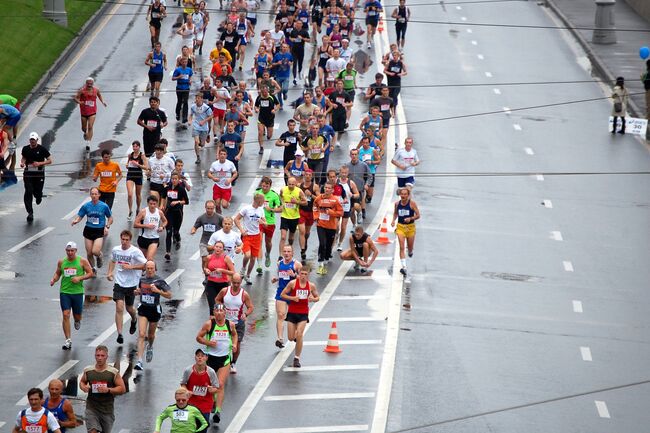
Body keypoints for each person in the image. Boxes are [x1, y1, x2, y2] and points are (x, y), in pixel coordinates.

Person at [195, 304, 238, 424]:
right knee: (209, 385)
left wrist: (234, 345)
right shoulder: (209, 324)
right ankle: (212, 402)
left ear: (225, 313)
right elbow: (198, 337)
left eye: (221, 311)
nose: (219, 313)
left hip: (224, 359)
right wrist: (208, 342)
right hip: (210, 359)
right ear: (214, 312)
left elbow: (234, 335)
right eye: (216, 310)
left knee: (220, 384)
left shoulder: (230, 325)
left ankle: (218, 411)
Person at [50, 241, 93, 350]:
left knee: (77, 316)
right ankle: (68, 340)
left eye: (72, 251)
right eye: (68, 251)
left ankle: (77, 320)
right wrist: (54, 280)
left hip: (78, 292)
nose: (70, 253)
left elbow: (90, 273)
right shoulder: (61, 262)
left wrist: (79, 278)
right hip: (65, 292)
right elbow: (58, 273)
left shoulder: (82, 261)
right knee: (65, 314)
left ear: (76, 251)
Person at [106, 230, 147, 344]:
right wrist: (109, 272)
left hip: (132, 283)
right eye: (123, 239)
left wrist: (131, 267)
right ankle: (119, 334)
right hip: (119, 282)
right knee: (119, 307)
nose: (124, 242)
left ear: (130, 240)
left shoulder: (135, 252)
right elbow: (113, 260)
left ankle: (134, 319)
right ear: (120, 239)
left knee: (129, 308)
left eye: (127, 240)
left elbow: (146, 265)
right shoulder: (116, 250)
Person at [134, 260, 172, 370]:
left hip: (154, 310)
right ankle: (139, 361)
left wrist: (158, 291)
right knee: (141, 334)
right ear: (145, 269)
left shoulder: (159, 281)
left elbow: (169, 295)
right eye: (148, 268)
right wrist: (137, 291)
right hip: (143, 309)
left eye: (152, 268)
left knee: (150, 335)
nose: (149, 270)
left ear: (155, 269)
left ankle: (150, 346)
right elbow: (141, 290)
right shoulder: (142, 279)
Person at [79, 345, 127, 433]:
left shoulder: (113, 372)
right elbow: (82, 382)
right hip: (91, 407)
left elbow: (122, 389)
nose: (100, 358)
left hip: (107, 410)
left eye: (102, 356)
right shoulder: (88, 370)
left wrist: (108, 390)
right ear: (95, 356)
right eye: (98, 355)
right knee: (92, 431)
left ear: (106, 357)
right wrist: (83, 387)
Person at [215, 273, 254, 374]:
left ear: (241, 282)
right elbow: (217, 299)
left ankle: (233, 363)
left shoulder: (244, 294)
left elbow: (250, 307)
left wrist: (245, 314)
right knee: (223, 343)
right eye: (234, 283)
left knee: (237, 345)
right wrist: (221, 308)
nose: (236, 285)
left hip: (238, 323)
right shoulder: (225, 291)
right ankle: (223, 362)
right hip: (225, 322)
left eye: (238, 283)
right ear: (231, 281)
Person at [281, 266, 319, 367]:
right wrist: (292, 298)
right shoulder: (293, 283)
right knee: (290, 337)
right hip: (292, 312)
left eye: (305, 274)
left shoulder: (311, 286)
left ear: (308, 275)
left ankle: (296, 358)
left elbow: (317, 297)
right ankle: (297, 339)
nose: (303, 276)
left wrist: (312, 299)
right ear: (299, 274)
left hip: (303, 313)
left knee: (300, 334)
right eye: (302, 274)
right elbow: (282, 295)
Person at [71, 187, 113, 274]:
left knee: (95, 251)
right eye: (92, 194)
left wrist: (107, 226)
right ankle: (93, 268)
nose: (94, 196)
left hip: (99, 230)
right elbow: (80, 216)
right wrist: (76, 220)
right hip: (88, 230)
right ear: (90, 195)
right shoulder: (86, 206)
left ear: (99, 195)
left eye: (95, 194)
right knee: (89, 253)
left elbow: (110, 218)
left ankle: (99, 256)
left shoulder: (104, 206)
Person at [180, 349, 219, 433]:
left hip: (205, 405)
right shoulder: (188, 370)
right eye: (198, 356)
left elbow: (216, 387)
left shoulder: (211, 372)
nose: (200, 358)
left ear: (206, 358)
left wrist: (212, 390)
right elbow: (183, 383)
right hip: (191, 404)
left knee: (202, 428)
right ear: (195, 357)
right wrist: (186, 391)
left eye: (202, 356)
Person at [272, 245, 301, 348]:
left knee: (295, 317)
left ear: (292, 253)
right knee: (280, 314)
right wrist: (276, 279)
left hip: (293, 294)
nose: (286, 253)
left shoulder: (297, 265)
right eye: (284, 251)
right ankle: (280, 338)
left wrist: (294, 275)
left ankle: (296, 334)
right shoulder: (279, 263)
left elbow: (304, 280)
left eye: (289, 251)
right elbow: (281, 276)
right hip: (282, 292)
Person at [234, 193, 267, 283]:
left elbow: (266, 224)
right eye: (263, 201)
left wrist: (262, 222)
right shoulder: (246, 209)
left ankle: (248, 275)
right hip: (247, 236)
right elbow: (236, 219)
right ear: (258, 201)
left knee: (253, 258)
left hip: (256, 237)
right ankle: (243, 269)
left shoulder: (261, 210)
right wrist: (241, 230)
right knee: (247, 255)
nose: (263, 203)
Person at [20, 131, 52, 222]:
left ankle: (39, 196)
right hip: (28, 173)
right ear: (29, 140)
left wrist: (40, 163)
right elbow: (24, 157)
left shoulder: (42, 149)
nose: (32, 141)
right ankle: (30, 213)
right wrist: (22, 163)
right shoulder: (25, 149)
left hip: (39, 173)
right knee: (28, 191)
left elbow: (50, 160)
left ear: (37, 140)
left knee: (37, 191)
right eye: (31, 140)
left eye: (34, 140)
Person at [313, 181, 343, 275]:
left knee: (329, 245)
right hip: (321, 225)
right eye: (325, 187)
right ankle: (321, 263)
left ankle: (326, 257)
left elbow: (341, 213)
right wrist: (316, 217)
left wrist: (331, 213)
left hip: (331, 226)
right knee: (322, 243)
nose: (327, 189)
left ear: (332, 190)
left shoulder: (335, 200)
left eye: (329, 188)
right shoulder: (318, 198)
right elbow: (315, 207)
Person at [255, 176, 282, 270]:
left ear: (270, 186)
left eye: (266, 186)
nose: (264, 188)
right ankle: (259, 265)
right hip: (259, 221)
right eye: (263, 186)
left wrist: (271, 209)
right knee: (259, 241)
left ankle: (268, 254)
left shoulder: (274, 195)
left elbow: (281, 209)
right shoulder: (257, 193)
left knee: (268, 242)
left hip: (270, 222)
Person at [391, 187, 420, 276]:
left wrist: (410, 218)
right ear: (400, 195)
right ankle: (404, 267)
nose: (403, 196)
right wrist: (393, 220)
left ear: (408, 195)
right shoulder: (397, 204)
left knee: (410, 248)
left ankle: (410, 251)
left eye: (405, 194)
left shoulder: (412, 204)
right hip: (400, 227)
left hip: (410, 228)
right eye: (402, 194)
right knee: (402, 247)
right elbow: (396, 213)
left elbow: (418, 215)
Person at [191, 200, 224, 276]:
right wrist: (193, 230)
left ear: (214, 208)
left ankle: (212, 274)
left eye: (211, 208)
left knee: (213, 260)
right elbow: (195, 226)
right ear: (205, 208)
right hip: (204, 242)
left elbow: (225, 227)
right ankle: (206, 275)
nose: (210, 210)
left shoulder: (219, 218)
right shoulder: (201, 217)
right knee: (204, 259)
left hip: (215, 243)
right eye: (208, 208)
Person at [204, 241, 235, 314]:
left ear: (223, 249)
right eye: (216, 246)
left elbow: (233, 272)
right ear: (214, 247)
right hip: (211, 284)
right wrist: (207, 270)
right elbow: (205, 268)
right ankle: (213, 323)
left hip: (223, 285)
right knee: (212, 307)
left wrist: (222, 270)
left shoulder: (226, 258)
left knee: (221, 308)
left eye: (220, 247)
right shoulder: (209, 257)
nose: (218, 249)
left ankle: (222, 323)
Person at [164, 171, 190, 261]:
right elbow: (163, 197)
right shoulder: (167, 187)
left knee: (175, 232)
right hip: (169, 212)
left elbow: (186, 201)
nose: (174, 181)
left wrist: (178, 202)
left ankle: (178, 238)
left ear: (179, 180)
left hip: (178, 212)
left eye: (176, 179)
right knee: (168, 232)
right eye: (172, 179)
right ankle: (168, 252)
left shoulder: (181, 189)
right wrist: (161, 206)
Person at [279, 176, 307, 256]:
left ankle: (290, 248)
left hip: (294, 217)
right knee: (283, 237)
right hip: (284, 216)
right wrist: (282, 203)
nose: (291, 186)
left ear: (295, 184)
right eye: (289, 184)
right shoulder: (283, 189)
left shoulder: (299, 191)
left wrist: (296, 202)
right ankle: (280, 256)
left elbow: (305, 202)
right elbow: (280, 196)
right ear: (287, 183)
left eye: (292, 185)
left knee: (291, 238)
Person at [74, 77, 107, 143]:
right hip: (84, 112)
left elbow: (99, 95)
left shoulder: (96, 90)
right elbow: (75, 98)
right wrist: (80, 102)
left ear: (93, 84)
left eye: (91, 83)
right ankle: (85, 133)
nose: (89, 85)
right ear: (86, 83)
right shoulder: (82, 91)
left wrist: (102, 102)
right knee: (83, 128)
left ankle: (88, 142)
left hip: (92, 112)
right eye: (88, 83)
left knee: (90, 126)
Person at [134, 195, 167, 260]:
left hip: (154, 238)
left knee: (149, 258)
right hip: (143, 237)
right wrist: (146, 226)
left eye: (154, 204)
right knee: (143, 260)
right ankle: (153, 267)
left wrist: (162, 227)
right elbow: (135, 224)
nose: (152, 206)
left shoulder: (159, 212)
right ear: (148, 203)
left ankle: (152, 267)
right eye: (151, 204)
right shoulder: (143, 212)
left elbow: (165, 221)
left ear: (157, 204)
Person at [208, 148, 238, 213]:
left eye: (224, 154)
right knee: (217, 204)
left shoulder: (230, 163)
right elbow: (209, 173)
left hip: (226, 188)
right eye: (221, 154)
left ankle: (227, 203)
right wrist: (213, 178)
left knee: (224, 205)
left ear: (226, 155)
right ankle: (219, 218)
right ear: (218, 155)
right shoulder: (214, 164)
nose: (222, 155)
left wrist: (230, 180)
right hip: (217, 186)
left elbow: (235, 173)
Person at [345, 148, 371, 223]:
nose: (354, 156)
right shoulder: (346, 165)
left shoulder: (363, 165)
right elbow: (342, 175)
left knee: (356, 205)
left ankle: (360, 213)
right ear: (350, 155)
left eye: (355, 154)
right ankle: (354, 225)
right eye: (352, 154)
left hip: (359, 190)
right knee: (351, 210)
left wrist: (367, 184)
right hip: (349, 190)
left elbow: (370, 176)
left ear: (358, 155)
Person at [126, 140, 149, 220]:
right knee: (130, 194)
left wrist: (138, 165)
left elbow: (146, 167)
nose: (135, 148)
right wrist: (127, 165)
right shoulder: (130, 155)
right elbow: (127, 164)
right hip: (130, 175)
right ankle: (130, 210)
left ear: (139, 147)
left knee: (138, 194)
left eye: (136, 146)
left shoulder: (142, 156)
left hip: (138, 176)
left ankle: (138, 208)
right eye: (134, 146)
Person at [255, 86, 280, 154]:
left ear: (268, 91)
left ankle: (267, 133)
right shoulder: (259, 97)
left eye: (266, 92)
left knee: (269, 136)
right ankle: (261, 147)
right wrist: (256, 109)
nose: (264, 94)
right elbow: (256, 105)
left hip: (270, 118)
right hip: (261, 118)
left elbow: (278, 104)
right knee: (260, 132)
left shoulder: (272, 97)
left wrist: (274, 109)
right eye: (263, 92)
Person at [172, 57, 193, 126]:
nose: (184, 63)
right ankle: (177, 113)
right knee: (180, 101)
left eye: (186, 62)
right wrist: (178, 77)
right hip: (179, 87)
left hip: (186, 87)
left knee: (186, 102)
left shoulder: (189, 69)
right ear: (181, 63)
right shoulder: (178, 70)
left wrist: (190, 80)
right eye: (183, 62)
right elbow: (173, 78)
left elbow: (190, 76)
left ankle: (184, 117)